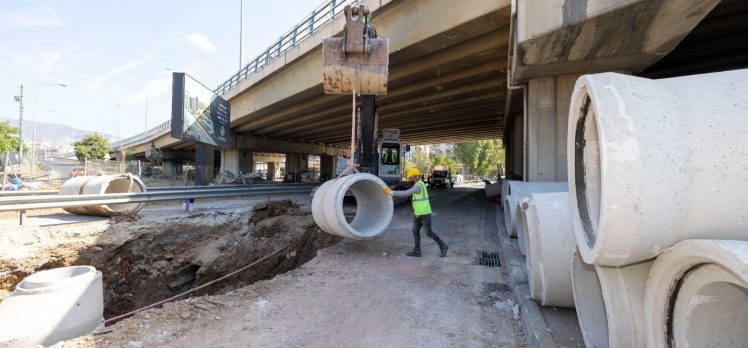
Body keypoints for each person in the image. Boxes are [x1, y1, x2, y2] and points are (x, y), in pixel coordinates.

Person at [384, 168, 448, 257]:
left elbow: (406, 193)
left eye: (410, 177)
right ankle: (417, 251)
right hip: (418, 213)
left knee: (429, 233)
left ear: (415, 176)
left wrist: (391, 192)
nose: (409, 179)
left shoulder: (418, 186)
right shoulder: (418, 184)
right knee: (415, 231)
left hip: (424, 213)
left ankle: (443, 246)